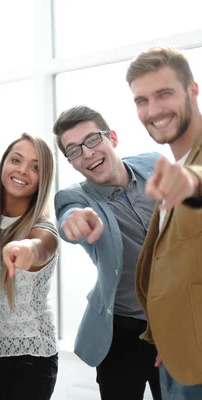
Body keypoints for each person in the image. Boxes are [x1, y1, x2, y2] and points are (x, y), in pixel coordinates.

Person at [53, 105, 162, 399]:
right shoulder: (74, 197)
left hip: (177, 322)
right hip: (123, 333)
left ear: (112, 137)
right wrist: (74, 222)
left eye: (92, 140)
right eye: (74, 150)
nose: (87, 153)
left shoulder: (155, 163)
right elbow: (68, 215)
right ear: (70, 162)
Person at [127, 46, 202, 398]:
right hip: (178, 356)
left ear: (192, 91)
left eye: (164, 94)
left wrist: (192, 183)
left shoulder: (187, 172)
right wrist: (171, 335)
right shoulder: (170, 166)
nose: (153, 110)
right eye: (142, 100)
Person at [0, 133, 59, 400]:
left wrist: (25, 249)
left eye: (35, 166)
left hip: (30, 362)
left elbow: (41, 247)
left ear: (44, 178)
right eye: (16, 160)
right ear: (3, 164)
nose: (22, 170)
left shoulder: (42, 229)